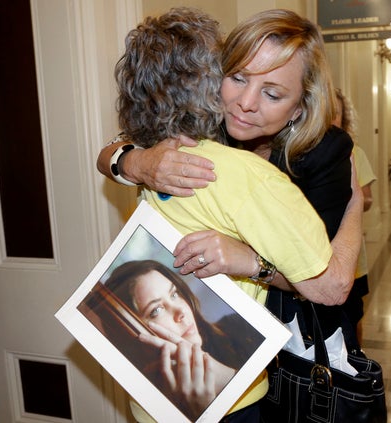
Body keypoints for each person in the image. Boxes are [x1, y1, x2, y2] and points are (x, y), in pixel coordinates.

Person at [108, 8, 362, 422]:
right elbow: (119, 147)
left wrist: (250, 260)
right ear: (210, 77)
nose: (245, 103)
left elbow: (328, 285)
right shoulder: (196, 136)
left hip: (290, 335)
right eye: (238, 77)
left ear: (300, 106)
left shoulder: (325, 153)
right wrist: (133, 162)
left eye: (273, 93)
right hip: (228, 375)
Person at [102, 260, 261, 421]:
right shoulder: (147, 405)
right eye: (156, 310)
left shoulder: (238, 327)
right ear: (139, 336)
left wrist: (221, 374)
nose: (181, 311)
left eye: (174, 294)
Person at [332, 88, 377, 347]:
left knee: (352, 319)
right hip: (315, 260)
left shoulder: (354, 152)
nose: (329, 119)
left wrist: (349, 200)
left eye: (335, 113)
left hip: (351, 260)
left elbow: (368, 200)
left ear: (344, 118)